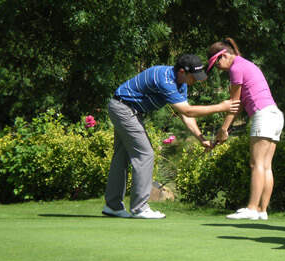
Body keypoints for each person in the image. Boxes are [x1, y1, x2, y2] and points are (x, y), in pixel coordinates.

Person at [102, 54, 240, 219]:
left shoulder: (181, 83)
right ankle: (139, 208)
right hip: (124, 109)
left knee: (121, 156)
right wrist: (220, 107)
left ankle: (113, 206)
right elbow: (188, 110)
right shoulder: (164, 80)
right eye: (193, 77)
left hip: (125, 108)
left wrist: (200, 138)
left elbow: (186, 115)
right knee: (145, 154)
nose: (195, 80)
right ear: (182, 71)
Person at [206, 38, 284, 220]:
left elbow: (233, 103)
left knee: (255, 164)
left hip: (263, 115)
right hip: (275, 115)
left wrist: (223, 129)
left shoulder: (235, 68)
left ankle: (251, 208)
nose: (217, 69)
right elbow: (240, 104)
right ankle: (262, 211)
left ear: (224, 55)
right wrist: (226, 128)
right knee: (265, 165)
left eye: (216, 64)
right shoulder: (245, 64)